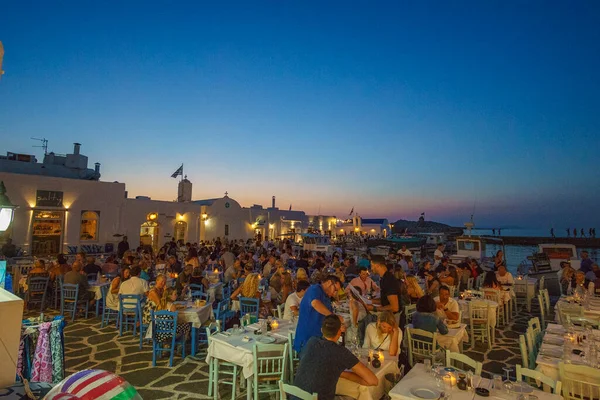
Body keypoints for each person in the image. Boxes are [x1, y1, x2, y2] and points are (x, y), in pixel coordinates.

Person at [293, 315, 377, 400]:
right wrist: (344, 374)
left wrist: (339, 373)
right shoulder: (341, 352)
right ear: (339, 332)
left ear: (321, 330)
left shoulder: (312, 341)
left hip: (294, 396)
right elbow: (373, 381)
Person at [293, 275, 342, 353]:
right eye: (335, 289)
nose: (334, 293)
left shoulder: (326, 296)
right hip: (307, 340)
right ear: (329, 282)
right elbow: (315, 303)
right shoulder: (314, 289)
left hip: (318, 339)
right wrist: (333, 316)